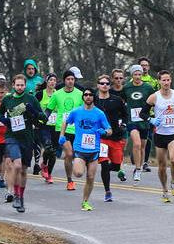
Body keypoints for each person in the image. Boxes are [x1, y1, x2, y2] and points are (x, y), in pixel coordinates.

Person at [0, 74, 47, 213]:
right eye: (17, 85)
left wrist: (33, 112)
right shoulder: (7, 99)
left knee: (23, 170)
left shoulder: (31, 98)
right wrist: (4, 120)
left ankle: (21, 198)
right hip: (12, 137)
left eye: (22, 85)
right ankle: (16, 195)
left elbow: (43, 117)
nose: (20, 87)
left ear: (25, 85)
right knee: (16, 164)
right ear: (13, 85)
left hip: (27, 138)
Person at [61, 88, 112, 211]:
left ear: (93, 97)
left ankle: (85, 202)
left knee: (90, 177)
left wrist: (104, 132)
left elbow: (110, 130)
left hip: (94, 151)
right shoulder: (76, 112)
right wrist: (62, 135)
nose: (88, 97)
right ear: (83, 97)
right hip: (80, 149)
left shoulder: (99, 114)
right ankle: (75, 168)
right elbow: (65, 121)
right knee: (78, 173)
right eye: (86, 95)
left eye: (90, 95)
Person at [140, 70, 174, 203]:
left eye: (168, 80)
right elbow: (143, 113)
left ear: (171, 81)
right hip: (160, 134)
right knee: (161, 165)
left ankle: (173, 181)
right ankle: (165, 190)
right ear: (159, 81)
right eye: (163, 80)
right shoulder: (154, 97)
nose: (166, 82)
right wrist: (151, 119)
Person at [45, 69, 84, 190]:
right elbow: (48, 110)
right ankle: (69, 180)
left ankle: (72, 175)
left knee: (73, 155)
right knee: (69, 153)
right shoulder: (57, 94)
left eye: (72, 79)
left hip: (76, 130)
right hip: (61, 129)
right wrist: (41, 120)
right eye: (68, 79)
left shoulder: (80, 94)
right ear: (64, 80)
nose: (71, 81)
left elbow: (85, 109)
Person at [94, 74, 129, 203]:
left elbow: (126, 115)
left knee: (115, 166)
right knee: (104, 163)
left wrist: (124, 124)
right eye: (102, 83)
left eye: (107, 84)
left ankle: (108, 170)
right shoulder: (94, 100)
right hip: (101, 137)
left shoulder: (117, 100)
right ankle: (107, 191)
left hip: (116, 137)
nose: (104, 85)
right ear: (98, 85)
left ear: (110, 86)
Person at [122, 64, 155, 182]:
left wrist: (154, 116)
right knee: (136, 144)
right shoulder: (126, 87)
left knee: (142, 147)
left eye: (139, 74)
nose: (137, 76)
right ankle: (136, 169)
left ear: (142, 75)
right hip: (132, 121)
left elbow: (154, 102)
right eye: (135, 74)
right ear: (132, 75)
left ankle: (139, 168)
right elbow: (122, 101)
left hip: (144, 121)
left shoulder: (148, 88)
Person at [36, 73, 58, 184]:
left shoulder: (58, 94)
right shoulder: (40, 94)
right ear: (47, 81)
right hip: (43, 126)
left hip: (56, 126)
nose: (53, 82)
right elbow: (33, 106)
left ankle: (48, 173)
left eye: (54, 80)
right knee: (48, 147)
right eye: (51, 80)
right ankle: (44, 163)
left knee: (53, 152)